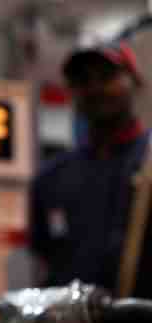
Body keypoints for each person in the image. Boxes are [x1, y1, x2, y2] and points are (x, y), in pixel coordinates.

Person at [29, 40, 152, 299]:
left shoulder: (149, 162)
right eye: (83, 81)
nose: (95, 88)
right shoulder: (50, 180)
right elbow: (46, 258)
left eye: (107, 77)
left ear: (136, 83)